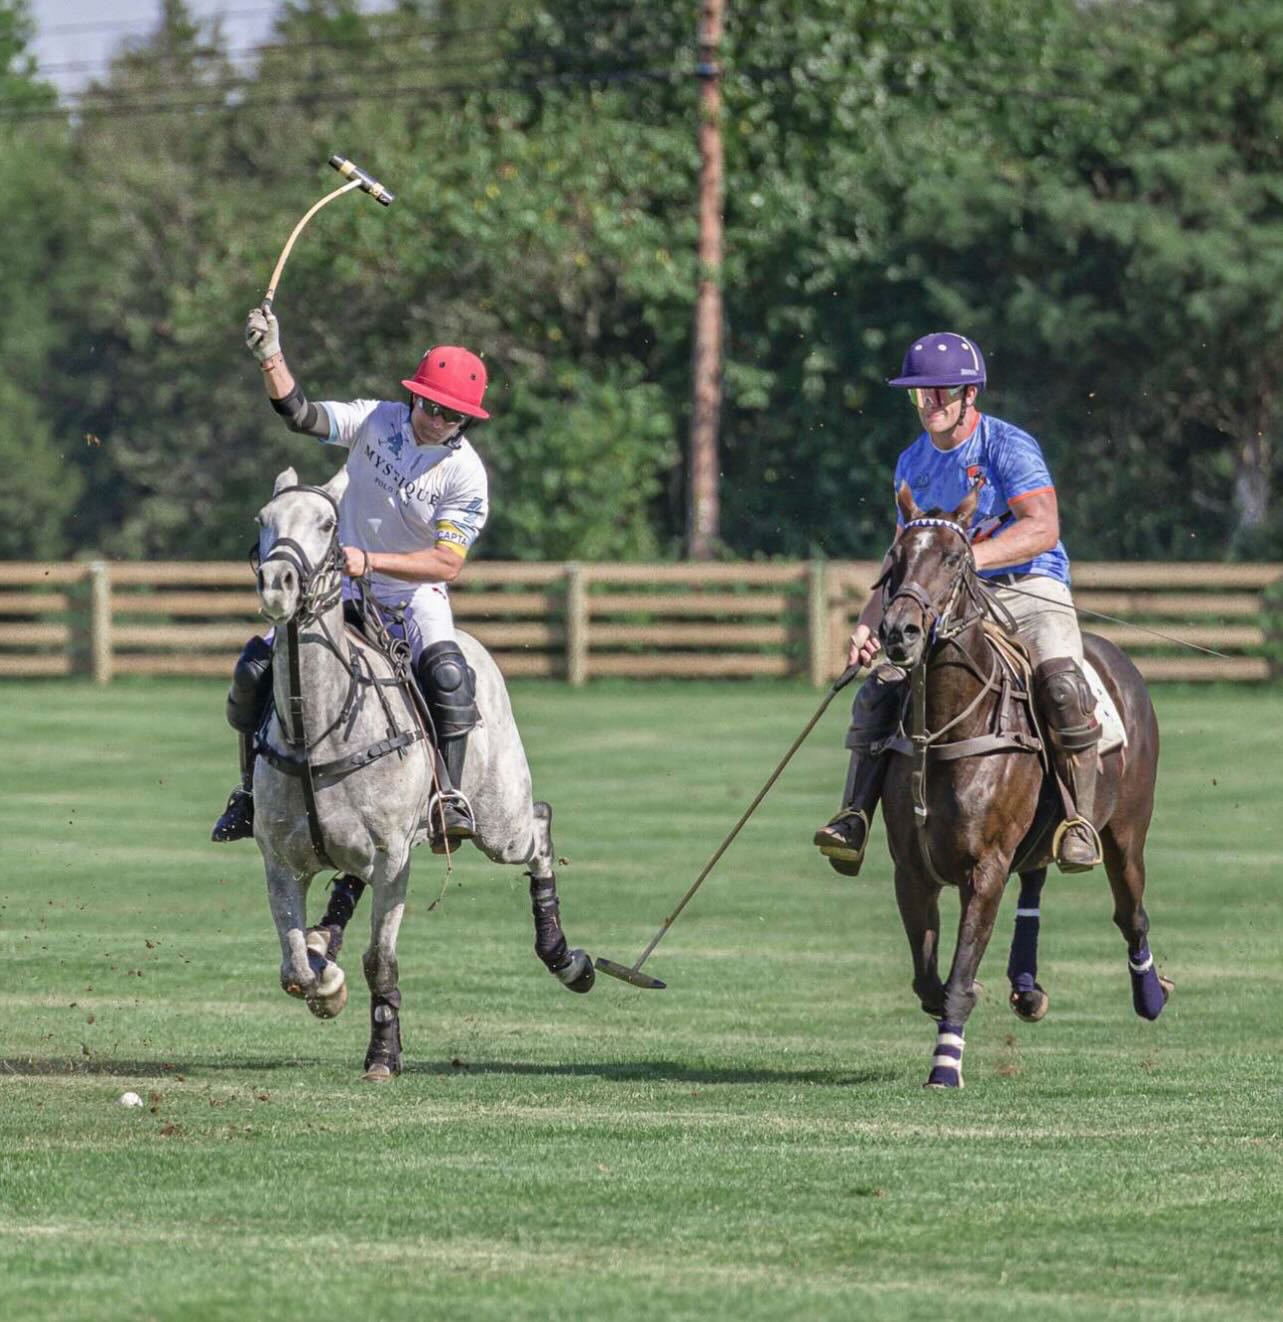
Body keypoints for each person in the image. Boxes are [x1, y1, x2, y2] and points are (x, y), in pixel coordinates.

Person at [813, 331, 1102, 876]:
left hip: (1028, 583)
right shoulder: (911, 463)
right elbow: (903, 555)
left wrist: (968, 556)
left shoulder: (1006, 446)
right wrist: (867, 623)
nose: (929, 405)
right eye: (920, 396)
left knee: (1062, 685)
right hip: (945, 593)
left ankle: (1078, 820)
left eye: (941, 394)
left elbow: (1042, 527)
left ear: (971, 394)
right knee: (882, 688)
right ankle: (853, 817)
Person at [211, 304, 491, 849]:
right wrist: (270, 355)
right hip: (338, 585)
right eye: (430, 405)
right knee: (253, 669)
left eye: (452, 415)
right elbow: (299, 413)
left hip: (413, 595)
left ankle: (447, 798)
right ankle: (248, 795)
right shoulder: (377, 420)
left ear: (466, 421)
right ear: (414, 395)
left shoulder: (465, 474)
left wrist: (371, 560)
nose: (436, 419)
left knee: (450, 678)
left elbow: (447, 562)